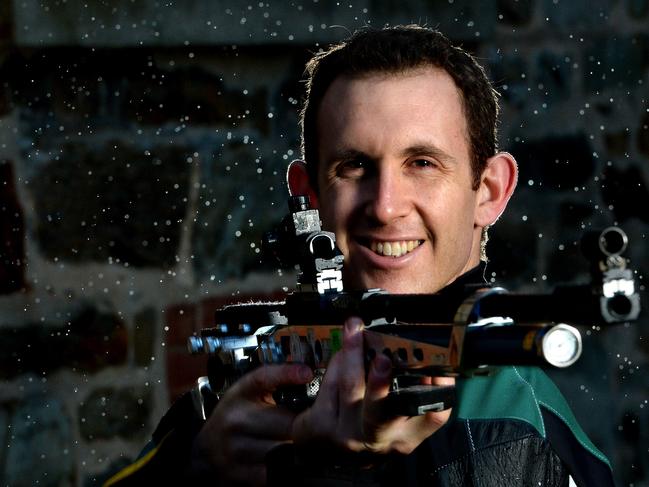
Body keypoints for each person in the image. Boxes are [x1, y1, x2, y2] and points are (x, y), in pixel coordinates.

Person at [105, 25, 614, 487]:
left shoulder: (509, 431)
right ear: (309, 198)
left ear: (489, 191)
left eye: (422, 163)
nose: (386, 206)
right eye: (353, 166)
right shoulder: (244, 394)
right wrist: (198, 465)